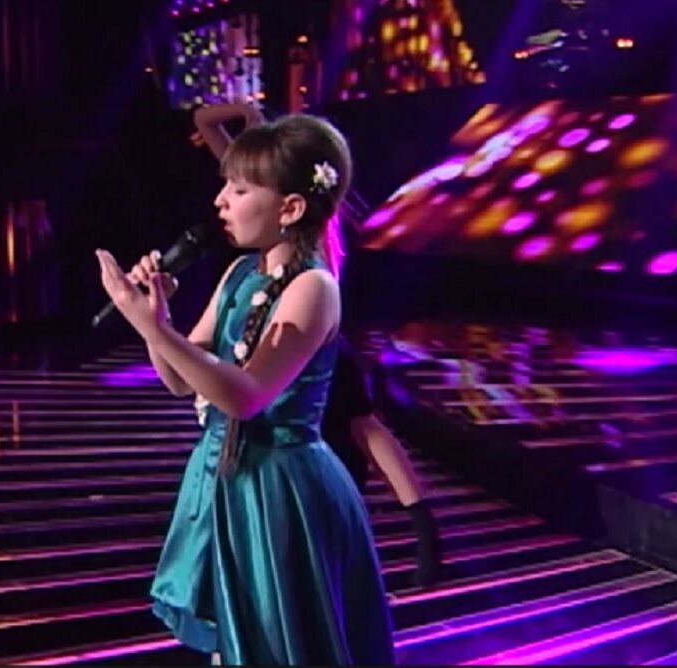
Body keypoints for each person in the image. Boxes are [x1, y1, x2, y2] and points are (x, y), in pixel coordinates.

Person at [95, 113, 394, 664]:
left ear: (290, 208)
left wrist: (154, 329)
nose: (220, 201)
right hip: (222, 477)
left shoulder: (315, 287)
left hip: (281, 489)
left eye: (238, 189)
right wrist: (156, 322)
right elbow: (180, 381)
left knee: (282, 640)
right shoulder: (237, 276)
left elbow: (246, 395)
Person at [193, 102, 443, 588]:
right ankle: (418, 520)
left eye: (241, 187)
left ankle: (421, 519)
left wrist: (251, 119)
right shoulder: (269, 201)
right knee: (356, 424)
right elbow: (206, 123)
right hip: (286, 322)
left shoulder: (310, 233)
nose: (226, 198)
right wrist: (247, 115)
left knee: (361, 422)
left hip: (312, 326)